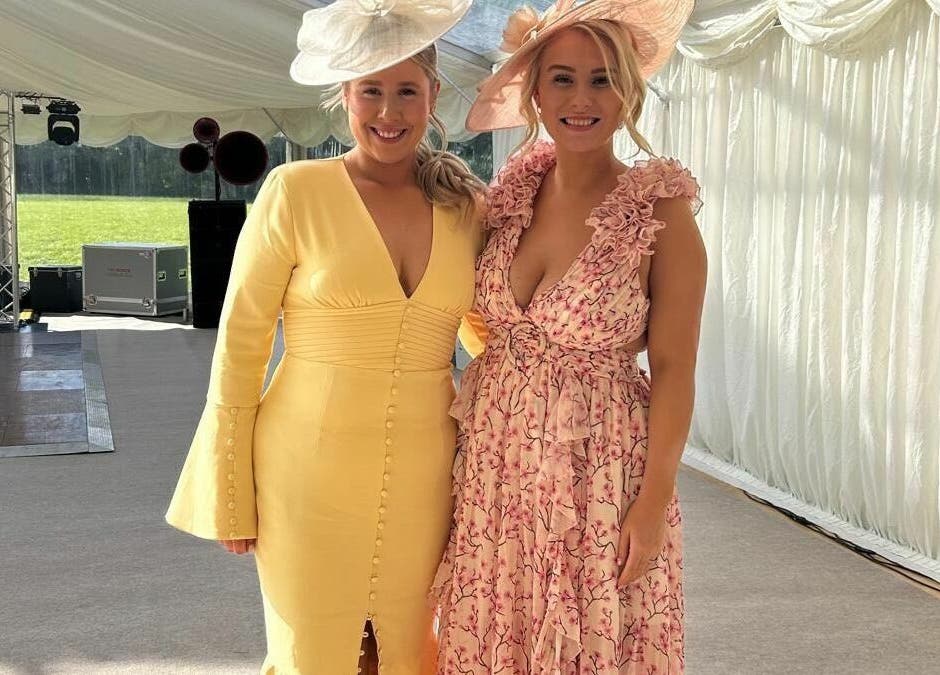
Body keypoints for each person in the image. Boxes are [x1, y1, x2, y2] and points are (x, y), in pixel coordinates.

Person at [165, 0, 484, 672]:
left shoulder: (467, 208)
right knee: (311, 653)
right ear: (344, 95)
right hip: (304, 471)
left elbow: (495, 338)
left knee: (409, 651)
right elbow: (241, 344)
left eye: (407, 90)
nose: (389, 111)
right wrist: (230, 489)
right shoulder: (294, 191)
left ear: (433, 96)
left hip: (428, 477)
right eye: (371, 89)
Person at [431, 0, 703, 671]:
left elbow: (674, 369)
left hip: (599, 468)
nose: (582, 99)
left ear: (628, 91)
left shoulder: (661, 212)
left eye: (602, 79)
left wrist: (653, 501)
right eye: (563, 78)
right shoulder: (509, 196)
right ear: (535, 91)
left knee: (588, 640)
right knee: (494, 625)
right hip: (496, 461)